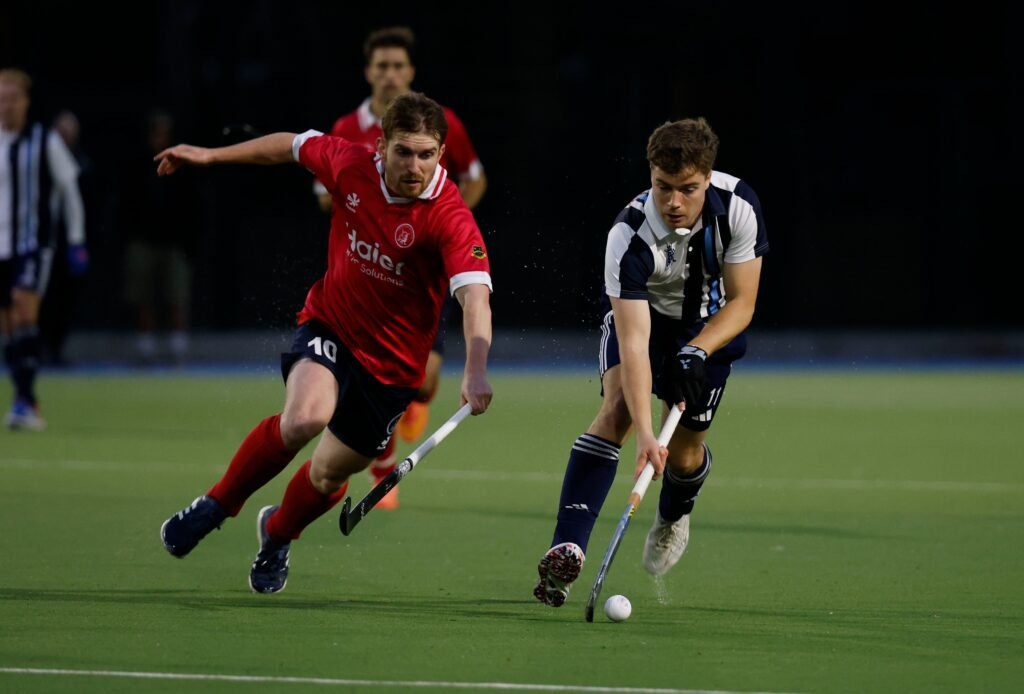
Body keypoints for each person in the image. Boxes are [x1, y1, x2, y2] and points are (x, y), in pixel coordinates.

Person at [157, 92, 494, 594]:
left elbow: (475, 297)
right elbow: (289, 146)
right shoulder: (349, 163)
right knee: (305, 417)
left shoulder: (449, 215)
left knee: (327, 477)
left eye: (426, 154)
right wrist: (209, 156)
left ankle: (276, 533)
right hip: (331, 325)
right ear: (380, 146)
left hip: (392, 373)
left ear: (441, 154)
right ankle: (217, 504)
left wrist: (475, 366)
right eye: (404, 152)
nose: (414, 166)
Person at [532, 118, 768, 607]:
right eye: (663, 186)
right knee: (616, 409)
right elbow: (635, 343)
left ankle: (674, 515)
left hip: (708, 325)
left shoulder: (739, 207)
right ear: (650, 174)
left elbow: (742, 303)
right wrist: (643, 432)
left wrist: (697, 350)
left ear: (708, 176)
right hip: (641, 320)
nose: (674, 202)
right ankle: (567, 544)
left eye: (688, 189)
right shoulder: (628, 235)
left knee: (683, 453)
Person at [317, 26, 488, 510]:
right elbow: (323, 185)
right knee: (382, 379)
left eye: (398, 66)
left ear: (410, 71)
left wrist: (450, 225)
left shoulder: (441, 121)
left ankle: (395, 416)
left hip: (424, 276)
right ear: (368, 71)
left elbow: (474, 179)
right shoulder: (348, 129)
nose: (390, 74)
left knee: (426, 381)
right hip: (368, 272)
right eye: (381, 66)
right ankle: (375, 464)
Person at [0, 69, 87, 431]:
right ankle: (26, 399)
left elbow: (69, 190)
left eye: (12, 97)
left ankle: (24, 402)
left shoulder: (43, 140)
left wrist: (77, 239)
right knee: (7, 328)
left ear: (26, 101)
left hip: (32, 245)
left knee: (24, 311)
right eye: (1, 98)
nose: (6, 104)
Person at [119, 110, 199, 365]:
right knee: (144, 297)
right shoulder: (137, 165)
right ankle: (146, 351)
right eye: (156, 132)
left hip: (175, 244)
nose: (160, 138)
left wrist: (189, 241)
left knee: (177, 296)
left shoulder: (185, 167)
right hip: (143, 241)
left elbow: (194, 207)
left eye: (165, 132)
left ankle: (178, 351)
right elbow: (126, 204)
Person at [39, 109, 93, 366]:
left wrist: (77, 239)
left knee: (62, 298)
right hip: (31, 238)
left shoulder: (73, 159)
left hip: (61, 239)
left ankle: (54, 349)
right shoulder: (33, 147)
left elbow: (74, 199)